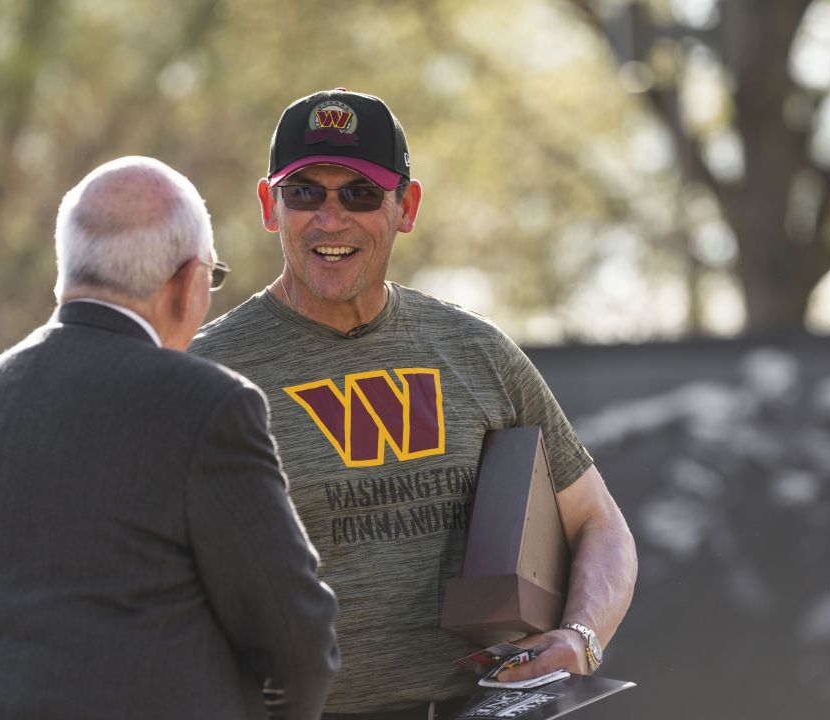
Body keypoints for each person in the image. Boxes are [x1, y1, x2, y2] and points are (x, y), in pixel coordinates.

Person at [189, 90, 638, 718]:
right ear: (271, 206)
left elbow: (597, 521)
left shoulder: (477, 351)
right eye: (305, 193)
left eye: (360, 194)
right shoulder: (203, 376)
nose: (330, 217)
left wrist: (581, 637)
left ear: (407, 206)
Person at [0, 156, 340, 720]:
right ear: (188, 282)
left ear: (66, 272)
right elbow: (295, 639)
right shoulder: (207, 406)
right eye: (212, 278)